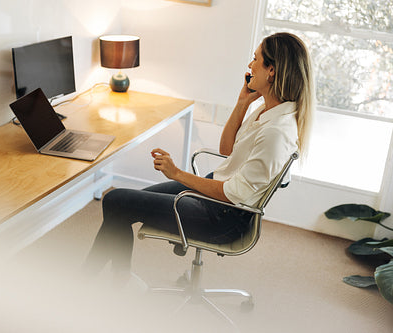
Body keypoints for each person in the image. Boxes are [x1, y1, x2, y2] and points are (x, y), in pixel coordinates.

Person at [83, 32, 314, 285]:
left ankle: (95, 282)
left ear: (271, 70)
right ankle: (105, 281)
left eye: (255, 59)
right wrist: (242, 103)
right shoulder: (269, 110)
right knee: (118, 204)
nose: (250, 66)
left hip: (221, 216)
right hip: (216, 194)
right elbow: (227, 149)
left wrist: (177, 173)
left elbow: (234, 195)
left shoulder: (276, 131)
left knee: (116, 200)